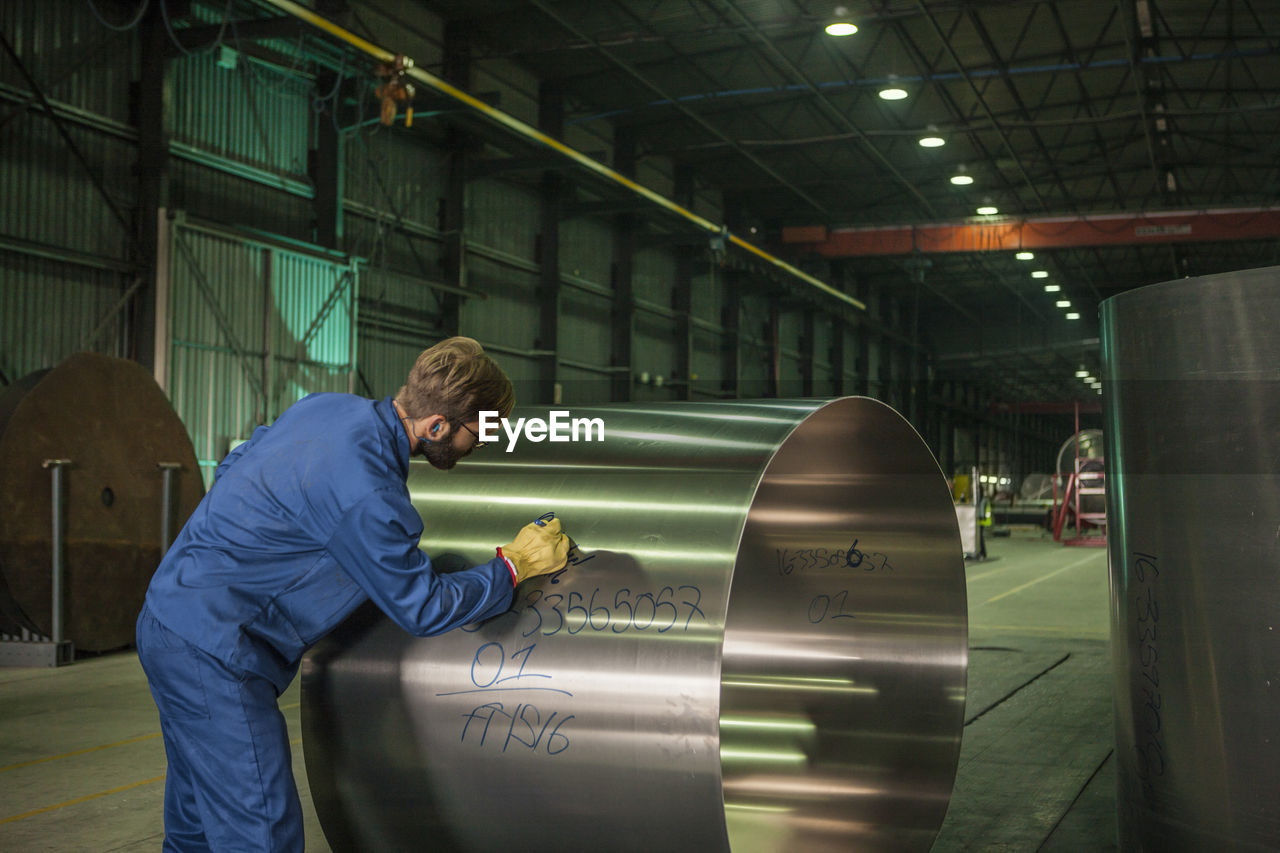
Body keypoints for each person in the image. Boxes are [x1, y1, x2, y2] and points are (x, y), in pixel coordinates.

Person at [136, 336, 569, 852]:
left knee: (196, 824)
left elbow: (237, 465)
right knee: (260, 832)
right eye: (477, 433)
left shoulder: (325, 407)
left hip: (167, 616)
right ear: (437, 426)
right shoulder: (371, 492)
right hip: (217, 652)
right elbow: (422, 606)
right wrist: (513, 566)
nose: (478, 445)